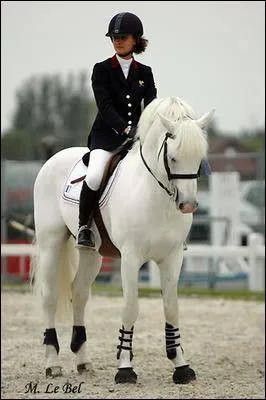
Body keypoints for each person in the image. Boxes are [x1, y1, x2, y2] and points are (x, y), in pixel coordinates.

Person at [76, 12, 158, 248]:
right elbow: (105, 106)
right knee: (93, 175)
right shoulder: (101, 69)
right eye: (114, 37)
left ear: (136, 39)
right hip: (106, 136)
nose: (117, 40)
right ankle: (84, 226)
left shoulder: (145, 72)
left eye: (123, 36)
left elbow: (151, 104)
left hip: (136, 138)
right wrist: (125, 128)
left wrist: (148, 129)